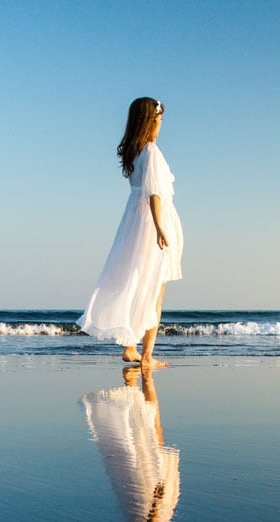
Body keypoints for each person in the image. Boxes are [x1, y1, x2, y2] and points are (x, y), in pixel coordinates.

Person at [78, 97, 184, 368]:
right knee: (154, 290)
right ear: (151, 121)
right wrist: (160, 226)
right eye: (159, 119)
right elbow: (154, 193)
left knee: (139, 283)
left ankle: (131, 348)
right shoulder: (150, 151)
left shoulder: (135, 152)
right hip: (150, 222)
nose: (161, 124)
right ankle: (146, 355)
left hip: (135, 222)